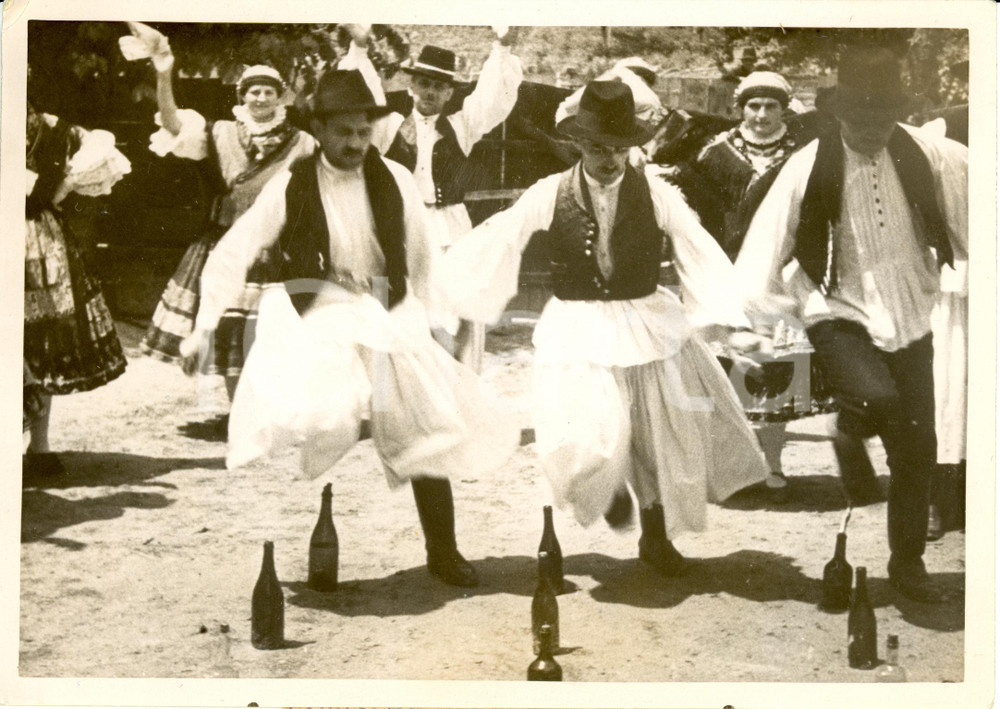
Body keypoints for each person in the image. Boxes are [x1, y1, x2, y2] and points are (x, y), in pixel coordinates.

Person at [180, 70, 518, 588]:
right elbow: (235, 250)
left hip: (386, 305)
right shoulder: (291, 184)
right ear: (319, 130)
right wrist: (203, 327)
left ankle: (443, 550)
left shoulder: (396, 180)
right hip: (322, 304)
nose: (355, 144)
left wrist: (436, 325)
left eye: (363, 133)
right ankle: (320, 447)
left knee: (425, 426)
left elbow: (425, 259)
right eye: (344, 133)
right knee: (327, 411)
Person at [438, 80, 769, 576]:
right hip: (578, 327)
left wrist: (729, 318)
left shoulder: (658, 194)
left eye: (619, 148)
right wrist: (444, 286)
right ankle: (609, 488)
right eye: (597, 147)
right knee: (587, 434)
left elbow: (695, 246)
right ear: (577, 143)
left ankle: (656, 539)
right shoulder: (549, 193)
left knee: (658, 436)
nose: (609, 159)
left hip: (647, 324)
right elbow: (500, 237)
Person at [735, 46, 968, 603]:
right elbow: (767, 244)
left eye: (882, 120)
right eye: (859, 121)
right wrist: (758, 317)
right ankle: (847, 425)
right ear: (839, 115)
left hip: (912, 314)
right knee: (873, 397)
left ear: (898, 114)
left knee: (917, 450)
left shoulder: (932, 155)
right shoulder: (808, 163)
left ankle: (907, 564)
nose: (871, 132)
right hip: (834, 308)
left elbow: (977, 212)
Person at [123, 22, 316, 402]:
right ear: (243, 97)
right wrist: (164, 75)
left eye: (268, 92)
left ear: (281, 99)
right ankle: (237, 409)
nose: (260, 99)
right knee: (228, 329)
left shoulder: (303, 143)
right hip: (222, 242)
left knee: (268, 331)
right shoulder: (219, 132)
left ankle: (270, 408)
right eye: (253, 92)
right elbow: (174, 122)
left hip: (276, 248)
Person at [672, 71, 827, 502]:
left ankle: (772, 466)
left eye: (771, 106)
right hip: (721, 276)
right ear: (740, 109)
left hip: (778, 276)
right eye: (753, 106)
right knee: (723, 372)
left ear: (784, 109)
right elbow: (692, 217)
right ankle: (728, 470)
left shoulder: (802, 156)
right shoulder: (712, 155)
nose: (761, 115)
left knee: (774, 367)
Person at [339, 24, 523, 373]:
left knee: (454, 310)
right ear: (411, 86)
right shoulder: (388, 126)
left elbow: (492, 98)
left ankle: (457, 387)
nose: (430, 92)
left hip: (449, 229)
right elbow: (360, 96)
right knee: (400, 310)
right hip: (399, 227)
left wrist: (502, 47)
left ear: (449, 92)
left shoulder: (462, 125)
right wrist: (360, 48)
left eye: (439, 86)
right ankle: (405, 394)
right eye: (424, 83)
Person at [23, 99, 132, 475]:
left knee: (42, 340)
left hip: (36, 235)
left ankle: (39, 445)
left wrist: (64, 183)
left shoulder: (56, 129)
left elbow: (99, 155)